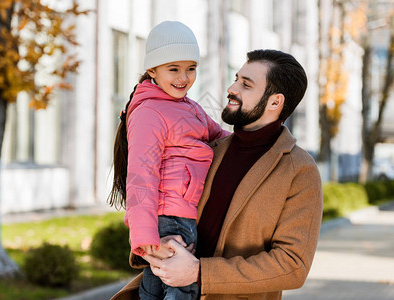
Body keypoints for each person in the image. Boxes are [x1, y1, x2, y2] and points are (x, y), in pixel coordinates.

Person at [111, 49, 323, 300]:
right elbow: (149, 191)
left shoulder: (299, 170)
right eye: (236, 78)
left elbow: (292, 265)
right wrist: (151, 248)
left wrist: (199, 273)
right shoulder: (206, 151)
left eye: (246, 84)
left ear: (275, 102)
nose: (231, 88)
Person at [108, 20, 230, 300]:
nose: (184, 77)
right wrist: (146, 241)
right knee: (182, 289)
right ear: (152, 70)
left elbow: (223, 138)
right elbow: (141, 176)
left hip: (184, 214)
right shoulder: (150, 111)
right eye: (173, 69)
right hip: (167, 219)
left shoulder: (190, 107)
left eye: (191, 68)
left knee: (154, 291)